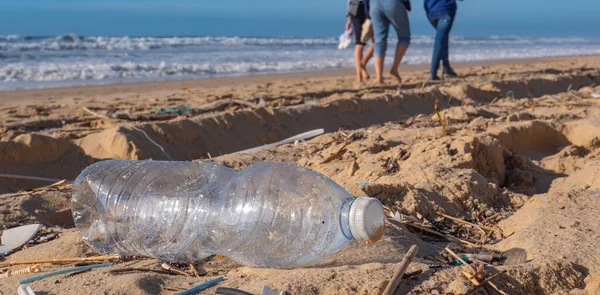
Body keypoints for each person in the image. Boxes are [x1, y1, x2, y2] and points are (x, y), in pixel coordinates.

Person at [365, 0, 411, 85]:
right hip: (392, 3)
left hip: (374, 4)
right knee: (404, 38)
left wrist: (367, 10)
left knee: (379, 40)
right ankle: (394, 68)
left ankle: (379, 78)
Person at [425, 0, 458, 80]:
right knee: (440, 40)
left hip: (431, 11)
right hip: (445, 10)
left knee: (443, 37)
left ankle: (446, 67)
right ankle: (433, 73)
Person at [346, 0, 375, 85]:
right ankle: (360, 74)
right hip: (365, 9)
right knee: (373, 42)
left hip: (357, 9)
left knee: (360, 44)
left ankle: (361, 68)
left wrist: (348, 16)